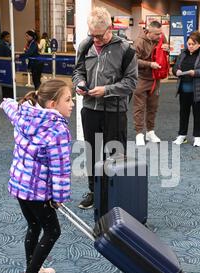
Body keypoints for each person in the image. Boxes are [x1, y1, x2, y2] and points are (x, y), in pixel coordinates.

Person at [0, 79, 74, 273]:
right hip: (37, 190)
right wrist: (59, 197)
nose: (72, 104)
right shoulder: (57, 129)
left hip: (20, 184)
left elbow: (10, 106)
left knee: (34, 226)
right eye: (68, 100)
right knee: (53, 231)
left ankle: (34, 269)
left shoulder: (26, 113)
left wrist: (5, 103)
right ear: (52, 104)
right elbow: (60, 169)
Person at [72, 7, 137, 210]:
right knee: (92, 152)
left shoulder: (126, 49)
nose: (95, 40)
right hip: (90, 109)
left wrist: (107, 90)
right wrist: (80, 83)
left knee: (115, 153)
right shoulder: (85, 45)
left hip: (115, 111)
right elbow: (78, 72)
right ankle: (94, 191)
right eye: (92, 35)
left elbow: (131, 83)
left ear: (110, 29)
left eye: (99, 36)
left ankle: (117, 193)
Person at [173, 31, 200, 147]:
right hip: (184, 89)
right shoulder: (183, 53)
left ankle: (197, 137)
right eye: (189, 44)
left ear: (199, 44)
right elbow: (175, 67)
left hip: (198, 90)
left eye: (193, 44)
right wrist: (177, 71)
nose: (190, 46)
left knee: (198, 114)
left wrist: (195, 72)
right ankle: (182, 135)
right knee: (183, 113)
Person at [133, 21, 169, 146]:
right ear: (148, 32)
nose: (160, 36)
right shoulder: (139, 42)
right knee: (139, 107)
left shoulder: (161, 38)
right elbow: (134, 61)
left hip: (155, 78)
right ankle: (139, 133)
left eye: (161, 33)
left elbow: (165, 52)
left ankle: (150, 131)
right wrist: (150, 64)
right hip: (142, 78)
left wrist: (167, 49)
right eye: (157, 34)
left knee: (153, 107)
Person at [0, 31, 13, 98]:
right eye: (7, 37)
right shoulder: (2, 45)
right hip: (4, 64)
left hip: (7, 64)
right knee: (5, 80)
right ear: (4, 37)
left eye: (9, 36)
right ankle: (6, 95)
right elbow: (5, 55)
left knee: (8, 80)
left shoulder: (7, 44)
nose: (9, 38)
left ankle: (9, 95)